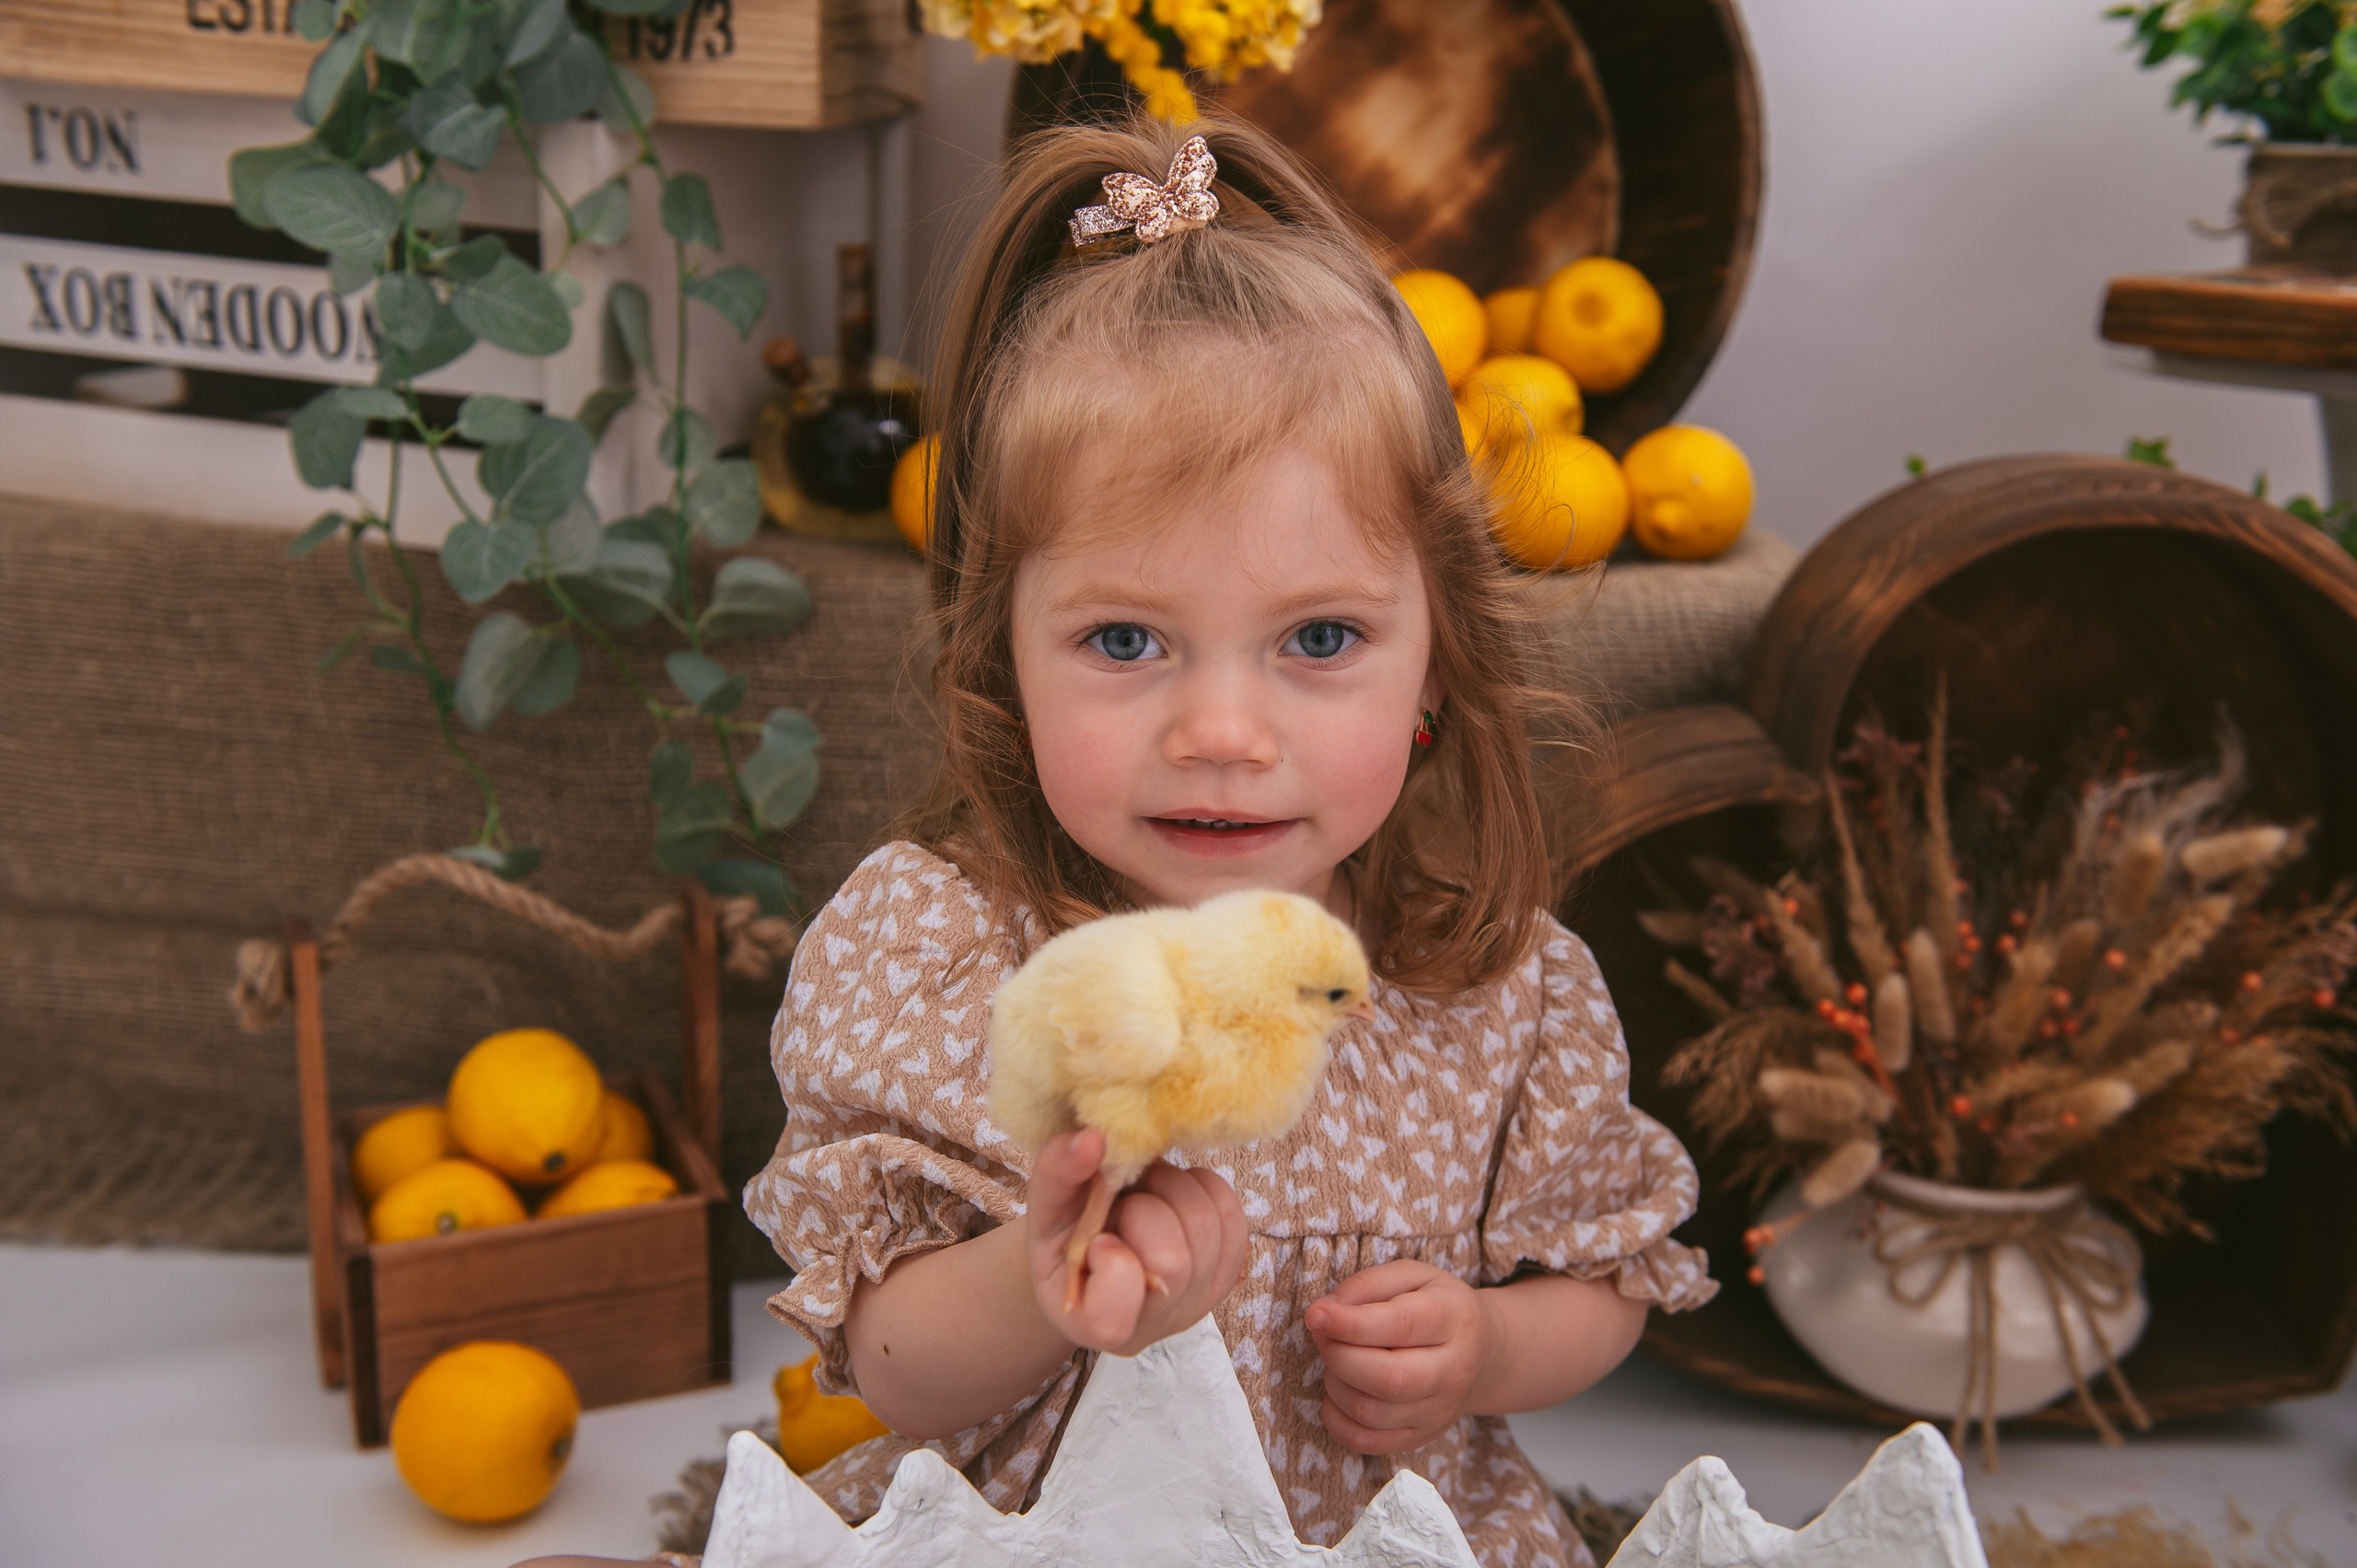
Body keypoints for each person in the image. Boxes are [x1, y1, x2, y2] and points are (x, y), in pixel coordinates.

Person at [524, 110, 1712, 1568]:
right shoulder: (951, 950)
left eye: (1320, 637)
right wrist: (1042, 1280)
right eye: (1126, 639)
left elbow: (1605, 1285)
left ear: (1440, 660)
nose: (1221, 727)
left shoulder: (1491, 980)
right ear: (1002, 654)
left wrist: (1481, 1349)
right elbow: (882, 1363)